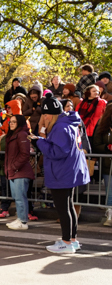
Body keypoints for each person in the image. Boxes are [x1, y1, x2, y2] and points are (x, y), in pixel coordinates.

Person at [33, 95, 89, 253]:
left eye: (45, 115)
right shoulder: (68, 123)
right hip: (69, 171)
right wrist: (41, 140)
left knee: (64, 209)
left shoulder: (60, 127)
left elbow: (57, 152)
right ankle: (72, 240)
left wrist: (38, 142)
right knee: (69, 207)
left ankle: (66, 243)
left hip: (62, 172)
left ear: (51, 114)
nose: (44, 118)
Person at [4, 115, 35, 230]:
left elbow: (25, 154)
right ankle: (20, 218)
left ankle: (22, 221)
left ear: (19, 123)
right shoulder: (14, 134)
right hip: (14, 171)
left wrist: (14, 166)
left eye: (14, 122)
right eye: (10, 122)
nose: (11, 123)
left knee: (20, 197)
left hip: (19, 171)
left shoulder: (21, 134)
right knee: (17, 197)